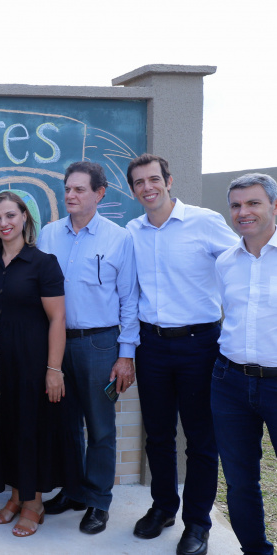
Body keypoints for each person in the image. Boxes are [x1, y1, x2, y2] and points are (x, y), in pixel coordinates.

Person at [125, 153, 236, 555]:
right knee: (157, 434)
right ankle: (163, 507)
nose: (147, 187)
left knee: (200, 439)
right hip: (151, 344)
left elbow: (240, 263)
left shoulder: (204, 222)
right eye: (139, 182)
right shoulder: (132, 232)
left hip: (199, 345)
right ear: (132, 189)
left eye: (154, 179)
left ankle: (198, 524)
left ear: (169, 181)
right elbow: (130, 293)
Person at [37, 162, 139, 534]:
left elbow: (130, 299)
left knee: (99, 427)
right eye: (67, 189)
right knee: (65, 426)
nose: (71, 195)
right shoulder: (49, 235)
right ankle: (74, 491)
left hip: (100, 343)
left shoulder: (118, 238)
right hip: (58, 344)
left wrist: (126, 354)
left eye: (79, 189)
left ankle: (98, 501)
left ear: (99, 194)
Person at [0, 190, 76, 538]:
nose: (4, 223)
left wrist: (54, 369)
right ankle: (15, 496)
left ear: (25, 219)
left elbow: (58, 319)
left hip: (31, 362)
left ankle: (34, 504)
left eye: (10, 216)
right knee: (4, 425)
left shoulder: (44, 263)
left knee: (31, 428)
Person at [212, 173, 277, 555]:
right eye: (236, 205)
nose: (243, 212)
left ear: (273, 207)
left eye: (253, 203)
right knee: (239, 481)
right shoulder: (225, 262)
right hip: (230, 381)